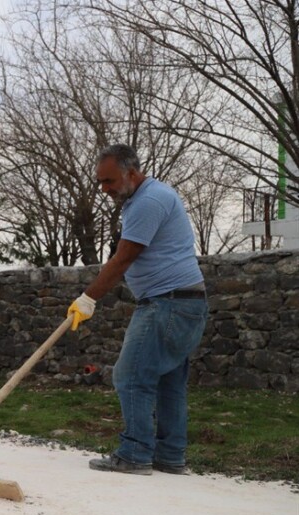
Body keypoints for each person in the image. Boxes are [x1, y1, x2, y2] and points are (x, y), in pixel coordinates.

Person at [68, 144, 208, 476]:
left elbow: (125, 256)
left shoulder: (149, 200)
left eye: (109, 181)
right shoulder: (144, 198)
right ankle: (170, 456)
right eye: (100, 182)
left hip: (168, 302)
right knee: (168, 380)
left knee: (129, 375)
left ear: (132, 173)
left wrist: (89, 297)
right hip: (185, 302)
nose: (104, 190)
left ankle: (134, 454)